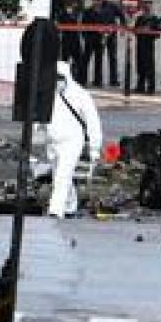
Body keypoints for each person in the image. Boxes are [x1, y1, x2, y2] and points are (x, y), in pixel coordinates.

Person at [47, 61, 103, 218]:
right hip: (53, 141)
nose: (57, 81)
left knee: (62, 176)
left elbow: (93, 122)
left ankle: (55, 210)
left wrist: (94, 148)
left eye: (60, 78)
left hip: (72, 141)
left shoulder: (80, 95)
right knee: (59, 174)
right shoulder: (48, 93)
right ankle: (70, 205)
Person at [84, 0, 126, 87]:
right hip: (98, 36)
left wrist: (122, 27)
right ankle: (97, 80)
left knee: (112, 57)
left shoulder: (112, 6)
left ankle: (114, 80)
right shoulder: (92, 9)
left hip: (111, 35)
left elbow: (121, 15)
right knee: (98, 58)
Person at [134, 0, 161, 94]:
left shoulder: (155, 19)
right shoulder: (140, 18)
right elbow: (135, 30)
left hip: (149, 45)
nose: (147, 8)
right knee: (140, 66)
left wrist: (150, 31)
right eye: (145, 7)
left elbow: (158, 34)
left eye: (149, 7)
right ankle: (140, 86)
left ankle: (151, 88)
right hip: (140, 44)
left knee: (150, 68)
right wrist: (140, 29)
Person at [58, 0, 84, 84]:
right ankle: (64, 78)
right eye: (68, 5)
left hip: (75, 39)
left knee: (78, 60)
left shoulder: (77, 14)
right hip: (66, 39)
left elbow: (78, 23)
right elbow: (61, 23)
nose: (71, 7)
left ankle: (79, 78)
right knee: (65, 60)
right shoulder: (62, 14)